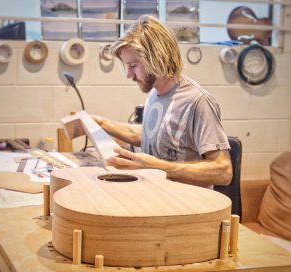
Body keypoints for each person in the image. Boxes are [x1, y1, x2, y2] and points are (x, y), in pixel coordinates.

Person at [93, 14, 232, 189]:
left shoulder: (198, 102)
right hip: (156, 197)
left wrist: (157, 167)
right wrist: (100, 123)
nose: (128, 75)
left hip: (186, 209)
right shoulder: (155, 93)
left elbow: (223, 172)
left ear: (157, 59)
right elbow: (153, 135)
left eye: (133, 66)